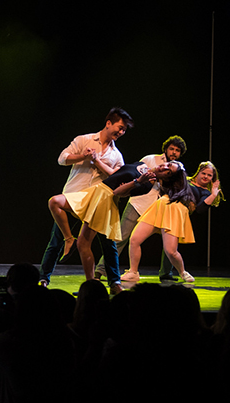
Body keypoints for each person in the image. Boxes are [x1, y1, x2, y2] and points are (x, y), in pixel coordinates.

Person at [39, 107, 133, 286]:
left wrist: (98, 162)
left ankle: (114, 282)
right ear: (108, 123)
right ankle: (43, 278)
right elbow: (62, 159)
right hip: (75, 196)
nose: (120, 132)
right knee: (56, 240)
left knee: (108, 244)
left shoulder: (116, 155)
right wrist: (82, 156)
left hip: (98, 203)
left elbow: (117, 177)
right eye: (119, 127)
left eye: (123, 130)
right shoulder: (84, 140)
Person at [47, 161, 160, 293]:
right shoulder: (142, 164)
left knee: (85, 243)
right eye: (166, 165)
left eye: (167, 170)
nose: (164, 166)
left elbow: (118, 192)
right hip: (96, 190)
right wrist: (96, 160)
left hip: (105, 199)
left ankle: (93, 286)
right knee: (54, 202)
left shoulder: (146, 185)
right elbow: (114, 173)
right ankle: (69, 239)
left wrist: (136, 181)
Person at [94, 135, 186, 279]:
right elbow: (134, 176)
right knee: (121, 237)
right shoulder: (151, 159)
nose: (174, 152)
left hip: (158, 209)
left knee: (170, 241)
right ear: (166, 149)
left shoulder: (178, 171)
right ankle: (101, 270)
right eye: (172, 149)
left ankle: (166, 273)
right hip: (139, 203)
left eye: (177, 150)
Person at [122, 161, 197, 283]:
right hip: (159, 206)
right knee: (134, 239)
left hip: (172, 208)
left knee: (171, 251)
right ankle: (133, 272)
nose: (165, 166)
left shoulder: (172, 185)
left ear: (171, 176)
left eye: (169, 168)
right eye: (169, 163)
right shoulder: (156, 172)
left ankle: (183, 272)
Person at [157, 161, 222, 281]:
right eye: (204, 173)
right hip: (163, 207)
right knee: (137, 238)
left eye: (209, 175)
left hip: (177, 215)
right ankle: (132, 270)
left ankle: (167, 273)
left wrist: (213, 195)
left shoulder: (205, 192)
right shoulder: (184, 180)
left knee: (170, 247)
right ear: (198, 172)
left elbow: (200, 209)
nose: (205, 177)